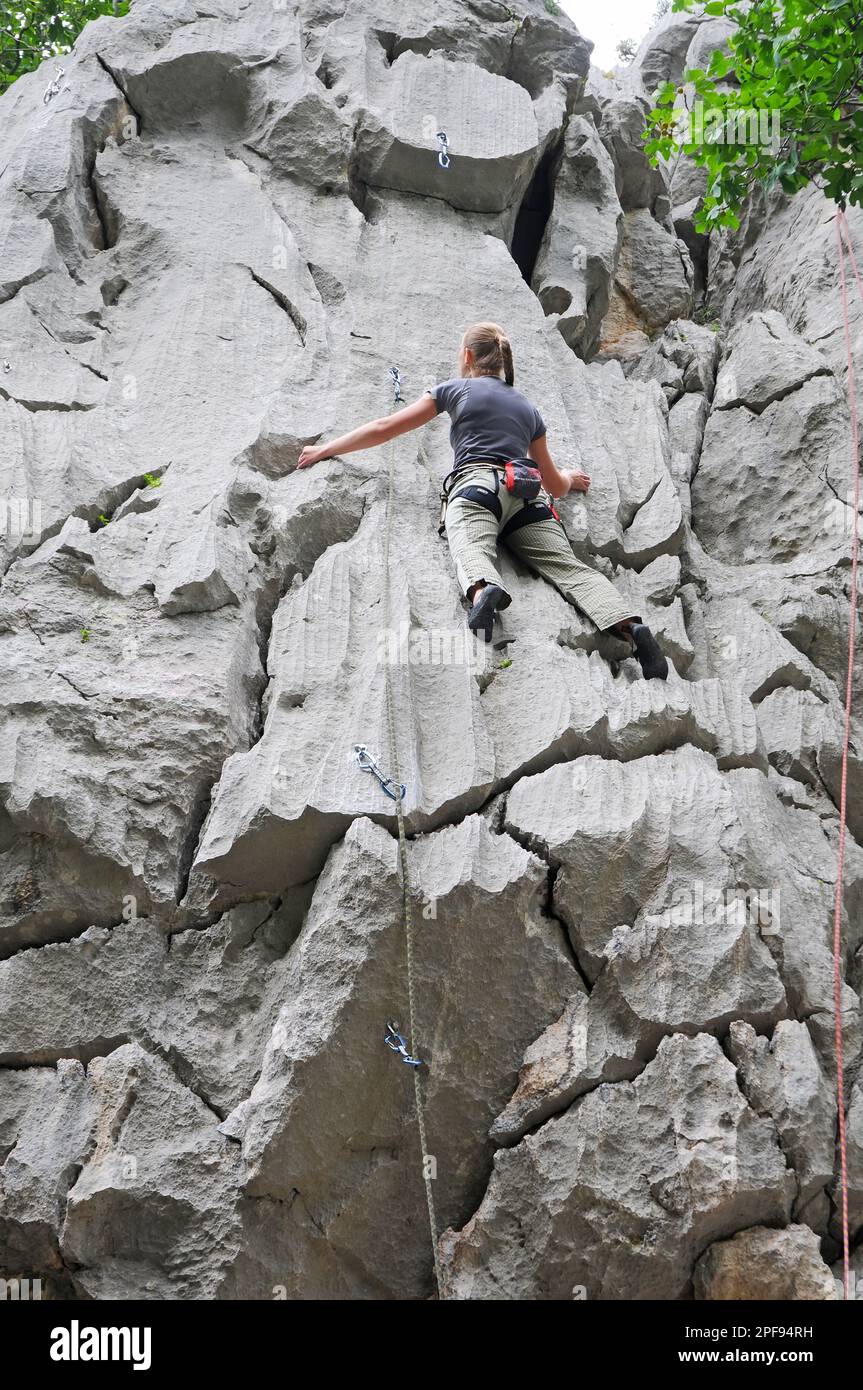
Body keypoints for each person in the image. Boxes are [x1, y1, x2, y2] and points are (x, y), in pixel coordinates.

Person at [297, 321, 669, 680]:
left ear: (468, 356)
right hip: (529, 499)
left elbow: (384, 428)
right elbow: (554, 484)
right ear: (503, 359)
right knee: (569, 569)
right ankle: (631, 626)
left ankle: (483, 590)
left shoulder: (454, 390)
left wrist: (325, 449)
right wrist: (570, 479)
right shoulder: (528, 409)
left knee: (469, 541)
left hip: (477, 488)